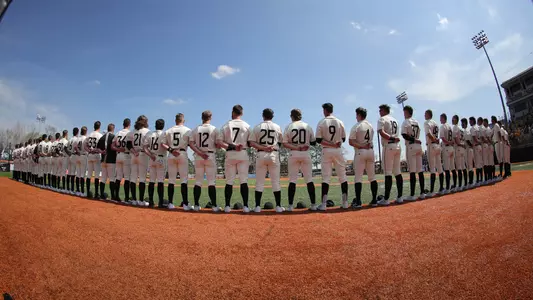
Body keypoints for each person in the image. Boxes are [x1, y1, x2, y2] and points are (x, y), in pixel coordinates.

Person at [216, 105, 252, 212]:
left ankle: (227, 206)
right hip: (242, 153)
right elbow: (251, 142)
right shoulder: (247, 126)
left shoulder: (226, 125)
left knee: (229, 181)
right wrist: (243, 145)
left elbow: (219, 142)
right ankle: (245, 206)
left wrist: (232, 146)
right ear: (242, 113)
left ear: (232, 112)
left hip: (230, 153)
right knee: (243, 181)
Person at [249, 108, 284, 213]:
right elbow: (281, 142)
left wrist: (264, 148)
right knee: (275, 182)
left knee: (259, 182)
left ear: (263, 116)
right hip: (273, 154)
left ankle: (257, 207)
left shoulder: (257, 127)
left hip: (261, 154)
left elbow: (251, 143)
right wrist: (272, 147)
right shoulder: (277, 127)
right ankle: (278, 206)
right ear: (272, 116)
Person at [282, 108, 317, 211]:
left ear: (292, 116)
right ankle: (314, 205)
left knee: (292, 180)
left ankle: (290, 206)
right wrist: (305, 145)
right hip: (305, 153)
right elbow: (314, 142)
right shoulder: (307, 126)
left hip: (294, 153)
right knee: (309, 180)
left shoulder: (289, 126)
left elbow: (284, 143)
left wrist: (296, 147)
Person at [316, 103, 348, 210]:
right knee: (342, 177)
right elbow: (343, 139)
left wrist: (330, 144)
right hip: (338, 150)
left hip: (327, 150)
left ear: (325, 110)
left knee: (326, 177)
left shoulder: (322, 122)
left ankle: (324, 204)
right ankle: (345, 203)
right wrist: (335, 143)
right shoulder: (340, 122)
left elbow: (318, 140)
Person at [189, 111, 220, 212]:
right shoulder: (214, 129)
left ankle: (196, 205)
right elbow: (218, 144)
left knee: (198, 181)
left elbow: (191, 144)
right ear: (210, 117)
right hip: (210, 155)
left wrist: (200, 152)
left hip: (199, 156)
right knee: (211, 182)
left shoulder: (196, 129)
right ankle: (214, 206)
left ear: (201, 117)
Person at [349, 107, 377, 207]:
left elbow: (351, 142)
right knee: (372, 177)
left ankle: (358, 202)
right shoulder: (370, 125)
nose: (356, 117)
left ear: (359, 115)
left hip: (360, 152)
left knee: (358, 178)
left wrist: (361, 145)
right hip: (370, 151)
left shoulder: (356, 126)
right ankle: (374, 200)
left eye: (356, 115)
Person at [162, 113, 191, 210]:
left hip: (171, 154)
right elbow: (191, 143)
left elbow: (163, 144)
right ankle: (185, 204)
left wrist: (171, 150)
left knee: (171, 180)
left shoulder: (169, 130)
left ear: (175, 120)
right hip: (182, 153)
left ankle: (170, 203)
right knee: (184, 180)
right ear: (183, 120)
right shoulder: (187, 130)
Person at [377, 104, 402, 205]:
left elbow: (381, 132)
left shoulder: (382, 119)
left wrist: (391, 138)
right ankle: (400, 197)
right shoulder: (395, 120)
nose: (379, 112)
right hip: (397, 147)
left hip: (389, 146)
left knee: (388, 173)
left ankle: (386, 199)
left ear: (384, 110)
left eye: (380, 110)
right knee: (397, 172)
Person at [401, 105, 425, 201]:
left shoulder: (406, 121)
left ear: (407, 112)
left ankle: (412, 194)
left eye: (404, 112)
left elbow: (404, 135)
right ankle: (422, 193)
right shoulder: (417, 122)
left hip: (411, 145)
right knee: (420, 171)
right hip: (418, 146)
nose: (403, 114)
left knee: (412, 171)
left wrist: (413, 139)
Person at [127, 115, 150, 206]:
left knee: (133, 178)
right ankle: (140, 200)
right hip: (143, 154)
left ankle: (133, 199)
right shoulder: (147, 132)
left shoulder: (132, 132)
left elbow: (128, 145)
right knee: (142, 179)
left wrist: (133, 152)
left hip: (134, 155)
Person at [143, 119, 167, 207]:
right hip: (160, 157)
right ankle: (160, 202)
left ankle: (151, 201)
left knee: (151, 181)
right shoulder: (164, 134)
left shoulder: (150, 134)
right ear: (163, 126)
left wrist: (150, 155)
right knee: (160, 181)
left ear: (155, 125)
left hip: (152, 158)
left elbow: (145, 147)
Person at [424, 110, 443, 197]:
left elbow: (429, 134)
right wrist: (436, 140)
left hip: (432, 145)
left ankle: (431, 191)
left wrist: (433, 140)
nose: (424, 115)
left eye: (425, 114)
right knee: (439, 168)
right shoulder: (436, 123)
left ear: (428, 115)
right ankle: (442, 188)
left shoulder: (427, 122)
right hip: (437, 146)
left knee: (432, 169)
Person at [112, 118, 131, 203]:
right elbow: (131, 146)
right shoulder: (130, 133)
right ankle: (127, 198)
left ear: (123, 124)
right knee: (127, 177)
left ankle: (116, 196)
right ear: (129, 124)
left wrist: (118, 149)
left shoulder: (118, 133)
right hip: (126, 155)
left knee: (118, 177)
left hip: (118, 155)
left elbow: (112, 146)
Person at [98, 123, 117, 201]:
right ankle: (113, 196)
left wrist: (102, 152)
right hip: (111, 160)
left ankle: (101, 194)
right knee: (112, 178)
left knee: (103, 178)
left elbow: (98, 148)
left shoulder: (102, 137)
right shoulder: (113, 136)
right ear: (113, 129)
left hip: (103, 160)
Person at [84, 121, 104, 199]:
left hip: (90, 155)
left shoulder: (89, 135)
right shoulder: (100, 135)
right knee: (96, 175)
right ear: (99, 126)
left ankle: (88, 192)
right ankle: (96, 193)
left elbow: (84, 146)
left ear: (94, 126)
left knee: (89, 175)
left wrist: (89, 150)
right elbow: (101, 148)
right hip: (96, 155)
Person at [439, 114, 455, 193]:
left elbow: (442, 137)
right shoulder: (450, 127)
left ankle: (448, 187)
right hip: (452, 148)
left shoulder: (443, 126)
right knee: (453, 168)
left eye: (441, 118)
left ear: (443, 118)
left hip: (446, 148)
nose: (440, 120)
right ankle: (454, 186)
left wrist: (447, 142)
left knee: (447, 169)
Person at [452, 115, 466, 191]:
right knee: (463, 166)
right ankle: (466, 184)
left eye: (453, 119)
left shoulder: (455, 127)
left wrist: (459, 144)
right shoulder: (461, 128)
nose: (452, 120)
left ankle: (460, 185)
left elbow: (455, 138)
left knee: (459, 167)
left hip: (458, 147)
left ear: (456, 120)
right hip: (462, 148)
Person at [74, 126, 88, 196]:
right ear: (85, 131)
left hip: (77, 156)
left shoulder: (77, 138)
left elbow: (75, 147)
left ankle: (77, 190)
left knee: (78, 174)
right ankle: (82, 191)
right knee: (82, 174)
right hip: (83, 156)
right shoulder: (86, 138)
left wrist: (78, 151)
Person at [462, 118, 475, 188]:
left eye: (462, 123)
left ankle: (470, 182)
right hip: (468, 149)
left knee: (469, 166)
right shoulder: (467, 130)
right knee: (469, 166)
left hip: (468, 149)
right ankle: (470, 181)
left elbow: (467, 141)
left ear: (465, 123)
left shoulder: (466, 130)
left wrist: (471, 146)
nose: (461, 124)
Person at [471, 117, 484, 186]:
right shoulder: (478, 128)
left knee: (477, 164)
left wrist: (478, 142)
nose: (469, 122)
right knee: (480, 163)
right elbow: (481, 137)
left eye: (470, 121)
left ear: (473, 121)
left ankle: (479, 180)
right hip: (479, 146)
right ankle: (481, 179)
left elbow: (474, 138)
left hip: (476, 146)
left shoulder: (473, 128)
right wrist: (480, 142)